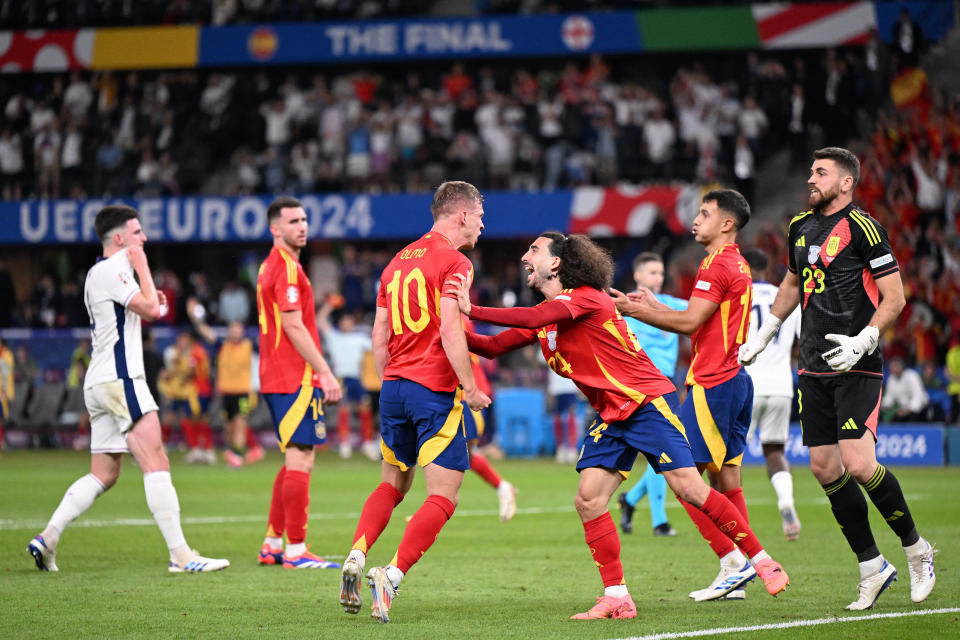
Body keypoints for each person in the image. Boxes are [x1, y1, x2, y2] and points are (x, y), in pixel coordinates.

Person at [447, 231, 788, 619]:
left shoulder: (586, 297)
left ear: (556, 263)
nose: (525, 256)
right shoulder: (549, 317)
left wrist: (471, 309)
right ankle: (617, 596)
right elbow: (491, 346)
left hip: (644, 404)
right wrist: (444, 326)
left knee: (691, 490)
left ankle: (761, 560)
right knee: (588, 499)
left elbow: (534, 316)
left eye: (534, 250)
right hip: (611, 414)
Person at [739, 146, 936, 610]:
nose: (811, 178)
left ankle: (916, 549)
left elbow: (895, 296)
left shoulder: (864, 227)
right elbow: (791, 283)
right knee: (825, 468)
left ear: (845, 182)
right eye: (810, 170)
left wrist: (864, 340)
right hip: (811, 366)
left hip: (856, 363)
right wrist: (768, 330)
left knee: (860, 464)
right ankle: (872, 566)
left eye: (821, 172)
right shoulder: (799, 227)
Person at [27, 205, 229, 573]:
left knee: (104, 473)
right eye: (137, 233)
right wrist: (144, 268)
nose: (144, 239)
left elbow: (140, 309)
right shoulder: (118, 268)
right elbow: (153, 311)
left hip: (99, 383)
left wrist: (148, 295)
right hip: (122, 380)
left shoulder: (95, 273)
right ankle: (181, 556)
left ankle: (48, 538)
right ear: (119, 238)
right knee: (156, 460)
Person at [338, 181, 491, 624]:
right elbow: (449, 330)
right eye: (480, 214)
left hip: (394, 388)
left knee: (394, 485)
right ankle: (392, 574)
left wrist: (391, 383)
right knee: (444, 495)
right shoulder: (456, 262)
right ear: (461, 214)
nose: (483, 222)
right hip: (433, 390)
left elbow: (379, 335)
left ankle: (356, 553)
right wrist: (469, 386)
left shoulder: (396, 262)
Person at [611, 189, 762, 602]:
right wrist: (658, 306)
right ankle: (742, 567)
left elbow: (691, 321)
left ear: (726, 224)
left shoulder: (716, 264)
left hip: (713, 380)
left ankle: (732, 563)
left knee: (684, 480)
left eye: (705, 213)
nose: (695, 220)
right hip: (735, 379)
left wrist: (638, 311)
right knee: (726, 480)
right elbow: (705, 322)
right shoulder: (737, 263)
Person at [256, 196, 343, 570]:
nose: (302, 226)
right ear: (275, 229)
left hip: (279, 373)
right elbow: (292, 324)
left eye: (305, 219)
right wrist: (324, 370)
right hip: (293, 374)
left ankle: (273, 543)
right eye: (293, 221)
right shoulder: (288, 269)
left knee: (294, 456)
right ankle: (296, 549)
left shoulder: (273, 265)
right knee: (301, 458)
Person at [617, 252, 687, 538]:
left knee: (664, 452)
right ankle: (659, 521)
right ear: (637, 276)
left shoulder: (673, 306)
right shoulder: (623, 306)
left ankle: (630, 500)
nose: (658, 277)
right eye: (652, 272)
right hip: (637, 383)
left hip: (667, 383)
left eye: (660, 272)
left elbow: (706, 313)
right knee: (663, 452)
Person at [742, 249, 802, 541]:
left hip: (747, 384)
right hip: (781, 385)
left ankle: (734, 521)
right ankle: (786, 501)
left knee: (731, 456)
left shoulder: (739, 297)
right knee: (775, 451)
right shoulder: (787, 295)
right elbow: (804, 341)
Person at [462, 314, 517, 521]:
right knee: (458, 454)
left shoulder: (452, 312)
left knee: (454, 454)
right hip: (457, 391)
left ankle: (431, 512)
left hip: (464, 394)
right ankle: (503, 487)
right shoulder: (447, 309)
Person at [317, 300, 378, 461]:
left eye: (349, 322)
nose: (347, 324)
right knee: (344, 409)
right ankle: (344, 443)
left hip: (357, 378)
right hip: (341, 378)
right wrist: (329, 304)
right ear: (340, 323)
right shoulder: (334, 337)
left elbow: (377, 343)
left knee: (364, 408)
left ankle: (367, 442)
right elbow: (320, 320)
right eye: (344, 322)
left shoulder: (359, 338)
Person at [881, 357, 930, 422]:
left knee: (912, 419)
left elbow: (918, 397)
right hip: (903, 410)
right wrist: (883, 406)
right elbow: (889, 397)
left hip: (920, 409)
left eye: (894, 366)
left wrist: (908, 410)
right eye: (891, 367)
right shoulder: (891, 379)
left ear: (900, 367)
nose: (891, 369)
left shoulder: (912, 376)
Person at [0, 336, 13, 449]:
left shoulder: (7, 356)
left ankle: (1, 441)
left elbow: (6, 375)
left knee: (2, 418)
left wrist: (5, 391)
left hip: (3, 392)